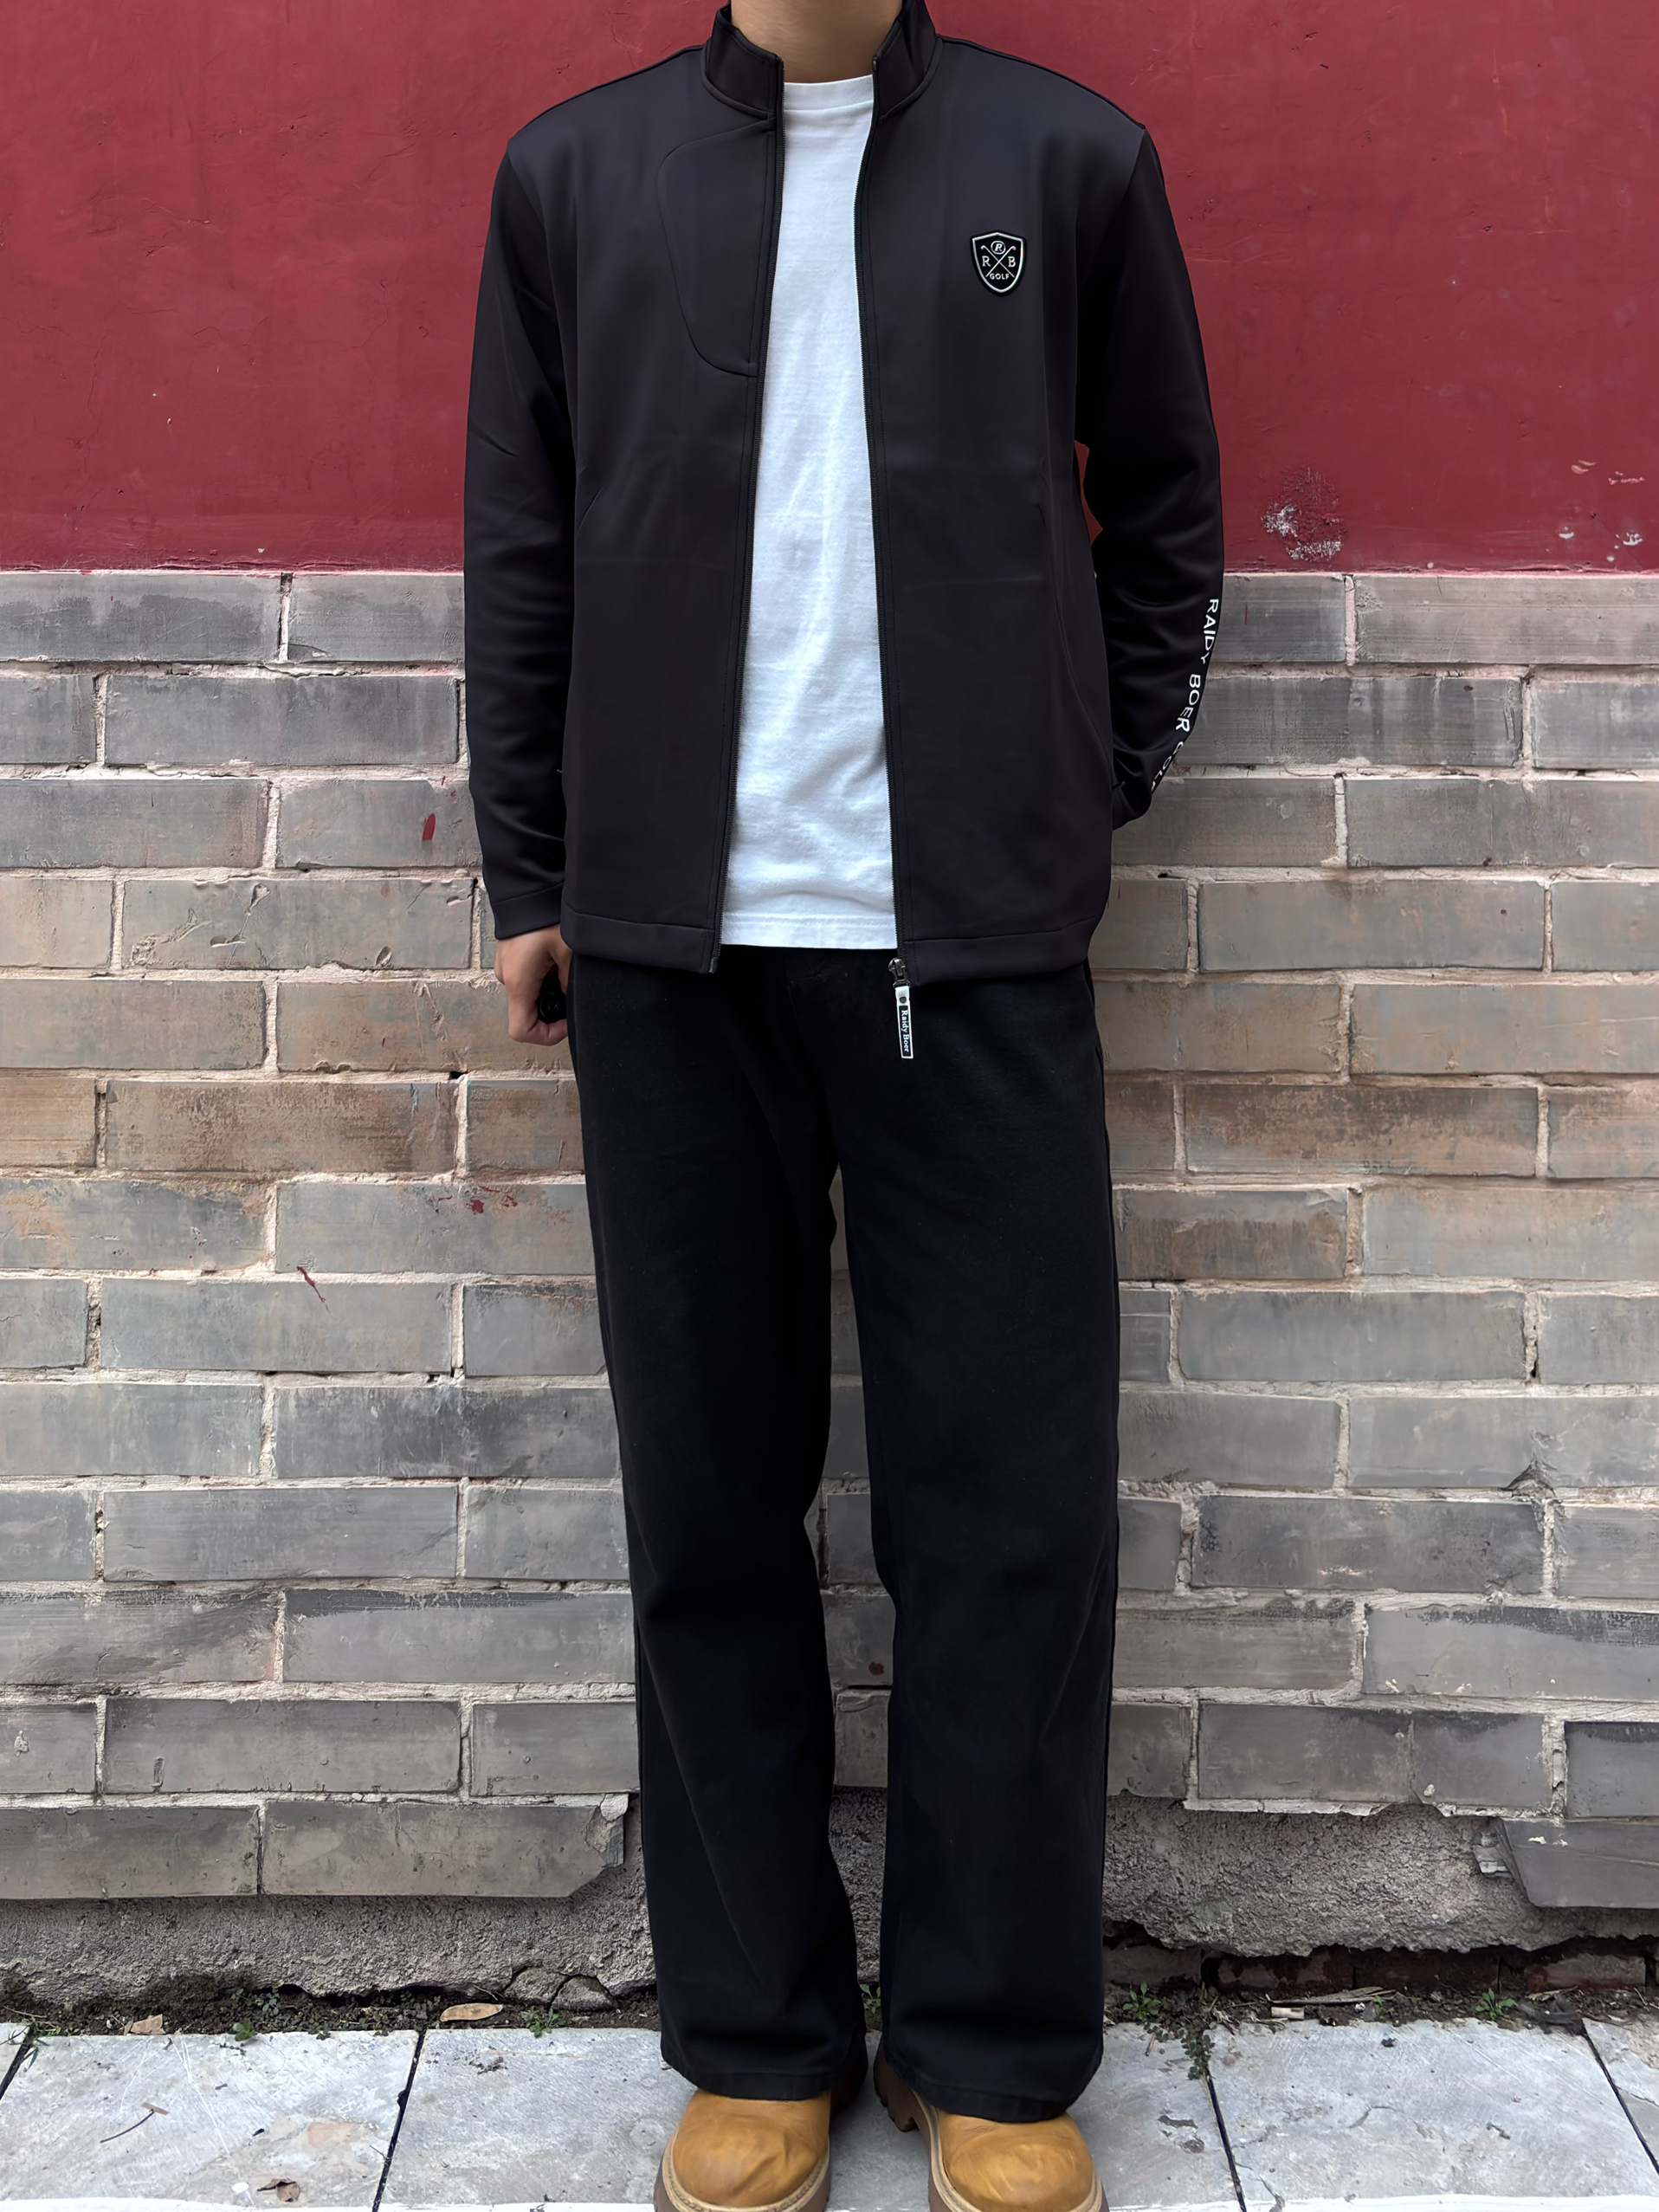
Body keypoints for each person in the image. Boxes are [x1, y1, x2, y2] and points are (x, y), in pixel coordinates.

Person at [464, 0, 1222, 2205]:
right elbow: (521, 540)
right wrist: (535, 872)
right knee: (709, 1511)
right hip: (670, 959)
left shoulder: (1064, 161)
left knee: (1008, 1521)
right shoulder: (574, 176)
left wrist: (1076, 783)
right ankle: (755, 2031)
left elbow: (1168, 511)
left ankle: (987, 2040)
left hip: (965, 951)